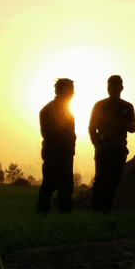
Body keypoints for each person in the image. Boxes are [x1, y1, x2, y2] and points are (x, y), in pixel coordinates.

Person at [89, 75, 135, 212]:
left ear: (121, 88)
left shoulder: (128, 107)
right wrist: (96, 142)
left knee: (113, 181)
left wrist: (124, 125)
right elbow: (92, 127)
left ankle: (106, 209)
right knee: (100, 180)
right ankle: (97, 211)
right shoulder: (100, 105)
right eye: (110, 86)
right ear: (107, 87)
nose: (113, 89)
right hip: (103, 149)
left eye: (116, 86)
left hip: (120, 149)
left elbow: (133, 127)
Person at [38, 78, 76, 214]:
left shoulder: (50, 109)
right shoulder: (55, 110)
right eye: (71, 90)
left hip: (56, 152)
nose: (73, 93)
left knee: (49, 185)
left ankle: (41, 214)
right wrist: (68, 144)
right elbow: (51, 134)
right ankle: (64, 217)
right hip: (59, 153)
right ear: (64, 91)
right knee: (64, 187)